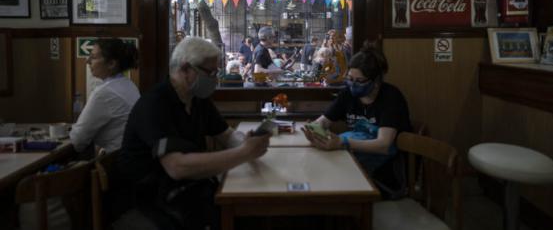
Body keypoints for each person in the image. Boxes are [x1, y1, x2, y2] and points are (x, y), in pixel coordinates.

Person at [118, 37, 270, 229]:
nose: (215, 78)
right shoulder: (155, 103)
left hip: (185, 191)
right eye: (210, 72)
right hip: (149, 200)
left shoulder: (197, 98)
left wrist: (245, 142)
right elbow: (177, 167)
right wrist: (244, 153)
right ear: (185, 69)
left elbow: (225, 134)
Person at [302, 41, 411, 198]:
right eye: (349, 79)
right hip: (354, 165)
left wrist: (342, 143)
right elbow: (324, 121)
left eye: (359, 81)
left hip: (384, 178)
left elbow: (383, 145)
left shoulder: (390, 98)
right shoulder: (347, 94)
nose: (352, 85)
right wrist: (314, 129)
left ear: (376, 81)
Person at [70, 38, 140, 153]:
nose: (87, 61)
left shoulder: (103, 93)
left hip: (116, 162)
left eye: (93, 57)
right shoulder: (128, 84)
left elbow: (77, 140)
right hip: (130, 157)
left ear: (111, 63)